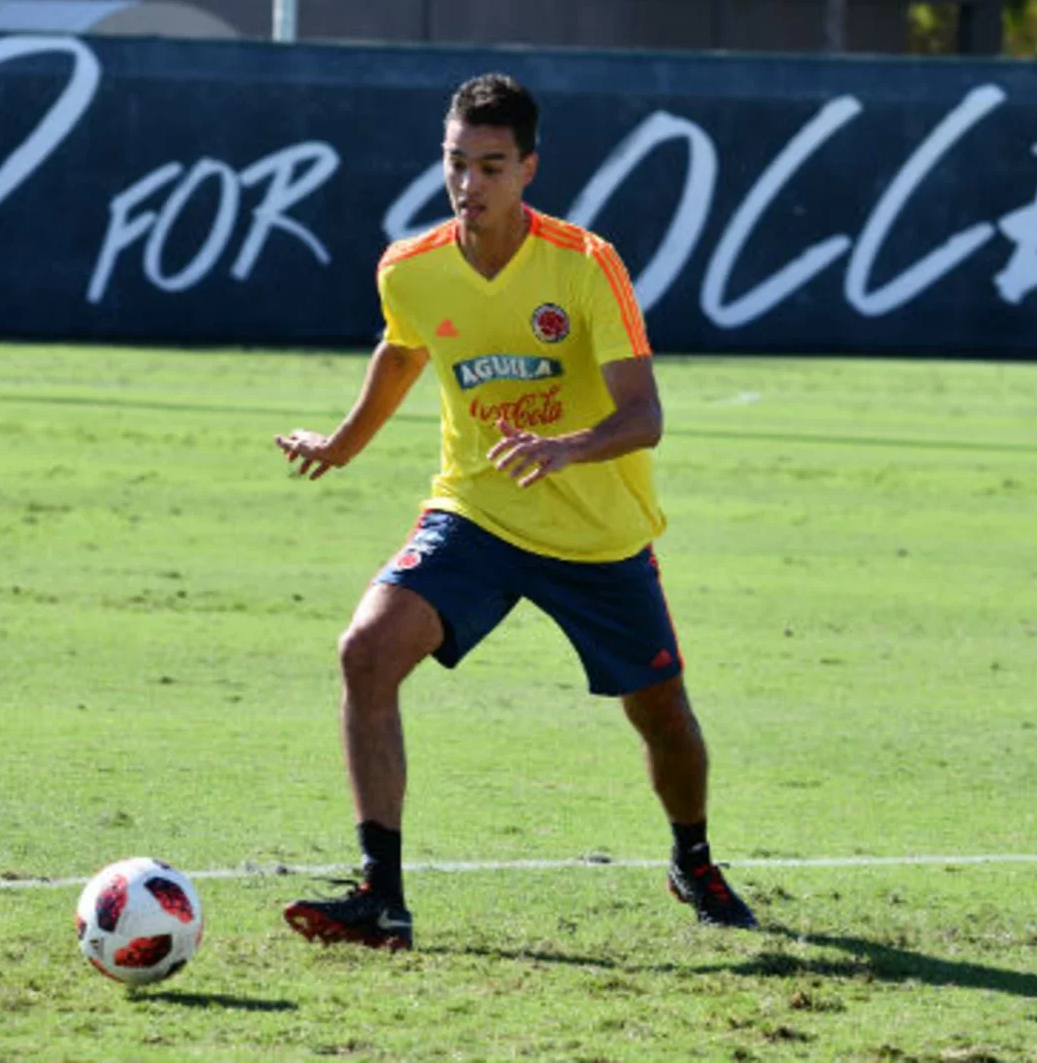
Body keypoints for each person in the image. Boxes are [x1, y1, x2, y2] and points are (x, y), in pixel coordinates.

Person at [276, 73, 756, 950]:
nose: (469, 184)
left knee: (662, 715)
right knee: (366, 653)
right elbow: (401, 351)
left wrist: (566, 447)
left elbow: (645, 415)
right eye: (457, 163)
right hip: (477, 515)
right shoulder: (410, 269)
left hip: (594, 533)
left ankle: (693, 857)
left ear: (529, 168)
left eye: (491, 166)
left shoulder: (583, 264)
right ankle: (381, 895)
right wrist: (344, 444)